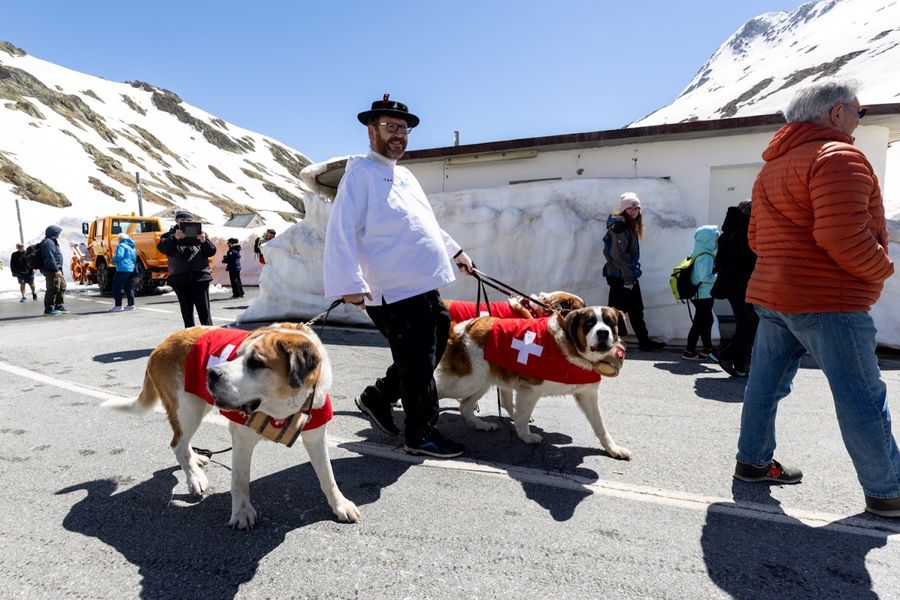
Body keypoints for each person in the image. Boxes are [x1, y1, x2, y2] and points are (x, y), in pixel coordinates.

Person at [734, 79, 900, 518]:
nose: (860, 121)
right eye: (859, 112)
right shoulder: (838, 155)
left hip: (774, 296)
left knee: (764, 386)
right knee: (861, 396)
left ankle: (751, 463)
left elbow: (755, 237)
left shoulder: (772, 166)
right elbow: (841, 236)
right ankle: (888, 491)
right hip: (830, 299)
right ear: (836, 112)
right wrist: (883, 267)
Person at [324, 94, 475, 459]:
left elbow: (424, 223)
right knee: (418, 357)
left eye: (403, 129)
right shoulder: (359, 173)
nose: (398, 135)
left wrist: (454, 250)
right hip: (390, 288)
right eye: (390, 127)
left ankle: (378, 396)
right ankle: (420, 432)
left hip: (423, 282)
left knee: (436, 337)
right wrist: (348, 284)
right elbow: (341, 229)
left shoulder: (404, 175)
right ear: (371, 130)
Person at [603, 193, 665, 351]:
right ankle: (607, 342)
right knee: (616, 312)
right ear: (624, 209)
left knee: (634, 310)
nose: (634, 211)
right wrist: (628, 280)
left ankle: (643, 341)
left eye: (637, 208)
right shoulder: (620, 227)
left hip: (623, 275)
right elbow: (619, 256)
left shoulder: (627, 225)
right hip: (622, 277)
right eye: (630, 208)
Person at [708, 200, 758, 376]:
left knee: (744, 322)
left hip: (730, 285)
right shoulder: (744, 233)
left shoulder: (728, 232)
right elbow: (747, 262)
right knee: (753, 323)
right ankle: (724, 353)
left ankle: (741, 363)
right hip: (742, 285)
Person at [157, 209, 217, 328]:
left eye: (188, 220)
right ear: (176, 221)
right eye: (182, 220)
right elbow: (164, 249)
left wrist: (204, 241)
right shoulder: (168, 236)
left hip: (200, 277)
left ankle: (209, 337)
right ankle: (190, 339)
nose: (185, 222)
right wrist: (174, 238)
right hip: (180, 278)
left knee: (204, 312)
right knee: (187, 313)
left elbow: (211, 251)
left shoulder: (201, 234)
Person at [681, 225, 718, 360]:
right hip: (703, 295)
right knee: (700, 322)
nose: (716, 241)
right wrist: (720, 277)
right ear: (707, 240)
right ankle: (689, 350)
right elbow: (705, 278)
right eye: (715, 238)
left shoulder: (697, 252)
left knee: (706, 320)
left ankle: (707, 349)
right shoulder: (706, 257)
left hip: (699, 295)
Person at [40, 225, 68, 316]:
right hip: (51, 269)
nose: (59, 234)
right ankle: (48, 309)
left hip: (56, 269)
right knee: (52, 289)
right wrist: (56, 270)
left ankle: (59, 305)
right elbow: (50, 257)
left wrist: (59, 269)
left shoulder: (53, 241)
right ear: (53, 232)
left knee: (62, 286)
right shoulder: (48, 242)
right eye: (58, 232)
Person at [109, 232, 137, 312]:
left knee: (116, 287)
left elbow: (119, 256)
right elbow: (135, 258)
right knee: (129, 287)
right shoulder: (132, 247)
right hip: (131, 269)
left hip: (123, 269)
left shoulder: (121, 246)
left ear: (120, 239)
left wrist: (113, 260)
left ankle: (118, 306)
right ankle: (131, 305)